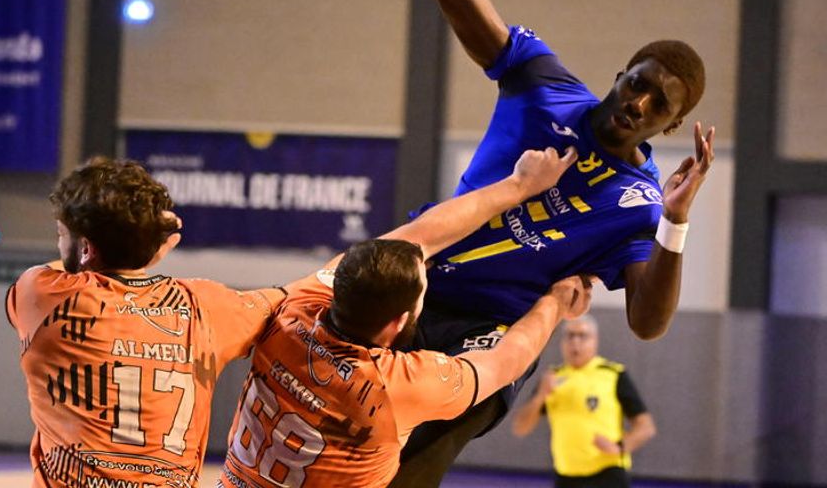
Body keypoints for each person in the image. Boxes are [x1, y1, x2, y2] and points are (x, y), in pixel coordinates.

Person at [336, 0, 716, 486]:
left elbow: (648, 321)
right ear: (619, 74)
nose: (638, 102)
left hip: (489, 333)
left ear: (667, 127)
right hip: (412, 289)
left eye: (659, 104)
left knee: (401, 462)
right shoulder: (544, 87)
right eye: (637, 82)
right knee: (330, 436)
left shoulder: (637, 204)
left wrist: (676, 222)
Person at [218, 146, 591, 488]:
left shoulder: (295, 307)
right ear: (399, 322)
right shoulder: (400, 385)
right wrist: (557, 299)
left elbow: (418, 238)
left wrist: (520, 185)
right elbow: (506, 361)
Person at [6, 157, 286, 488]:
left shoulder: (41, 296)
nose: (58, 242)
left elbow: (64, 268)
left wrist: (140, 246)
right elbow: (289, 299)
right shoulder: (206, 305)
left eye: (61, 234)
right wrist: (142, 243)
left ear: (85, 249)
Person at [511, 316, 657, 488]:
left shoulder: (613, 374)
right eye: (570, 336)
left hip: (607, 474)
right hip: (566, 476)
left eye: (583, 336)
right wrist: (540, 396)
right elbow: (520, 427)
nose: (575, 342)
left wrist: (620, 446)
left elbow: (645, 426)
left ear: (595, 341)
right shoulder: (552, 377)